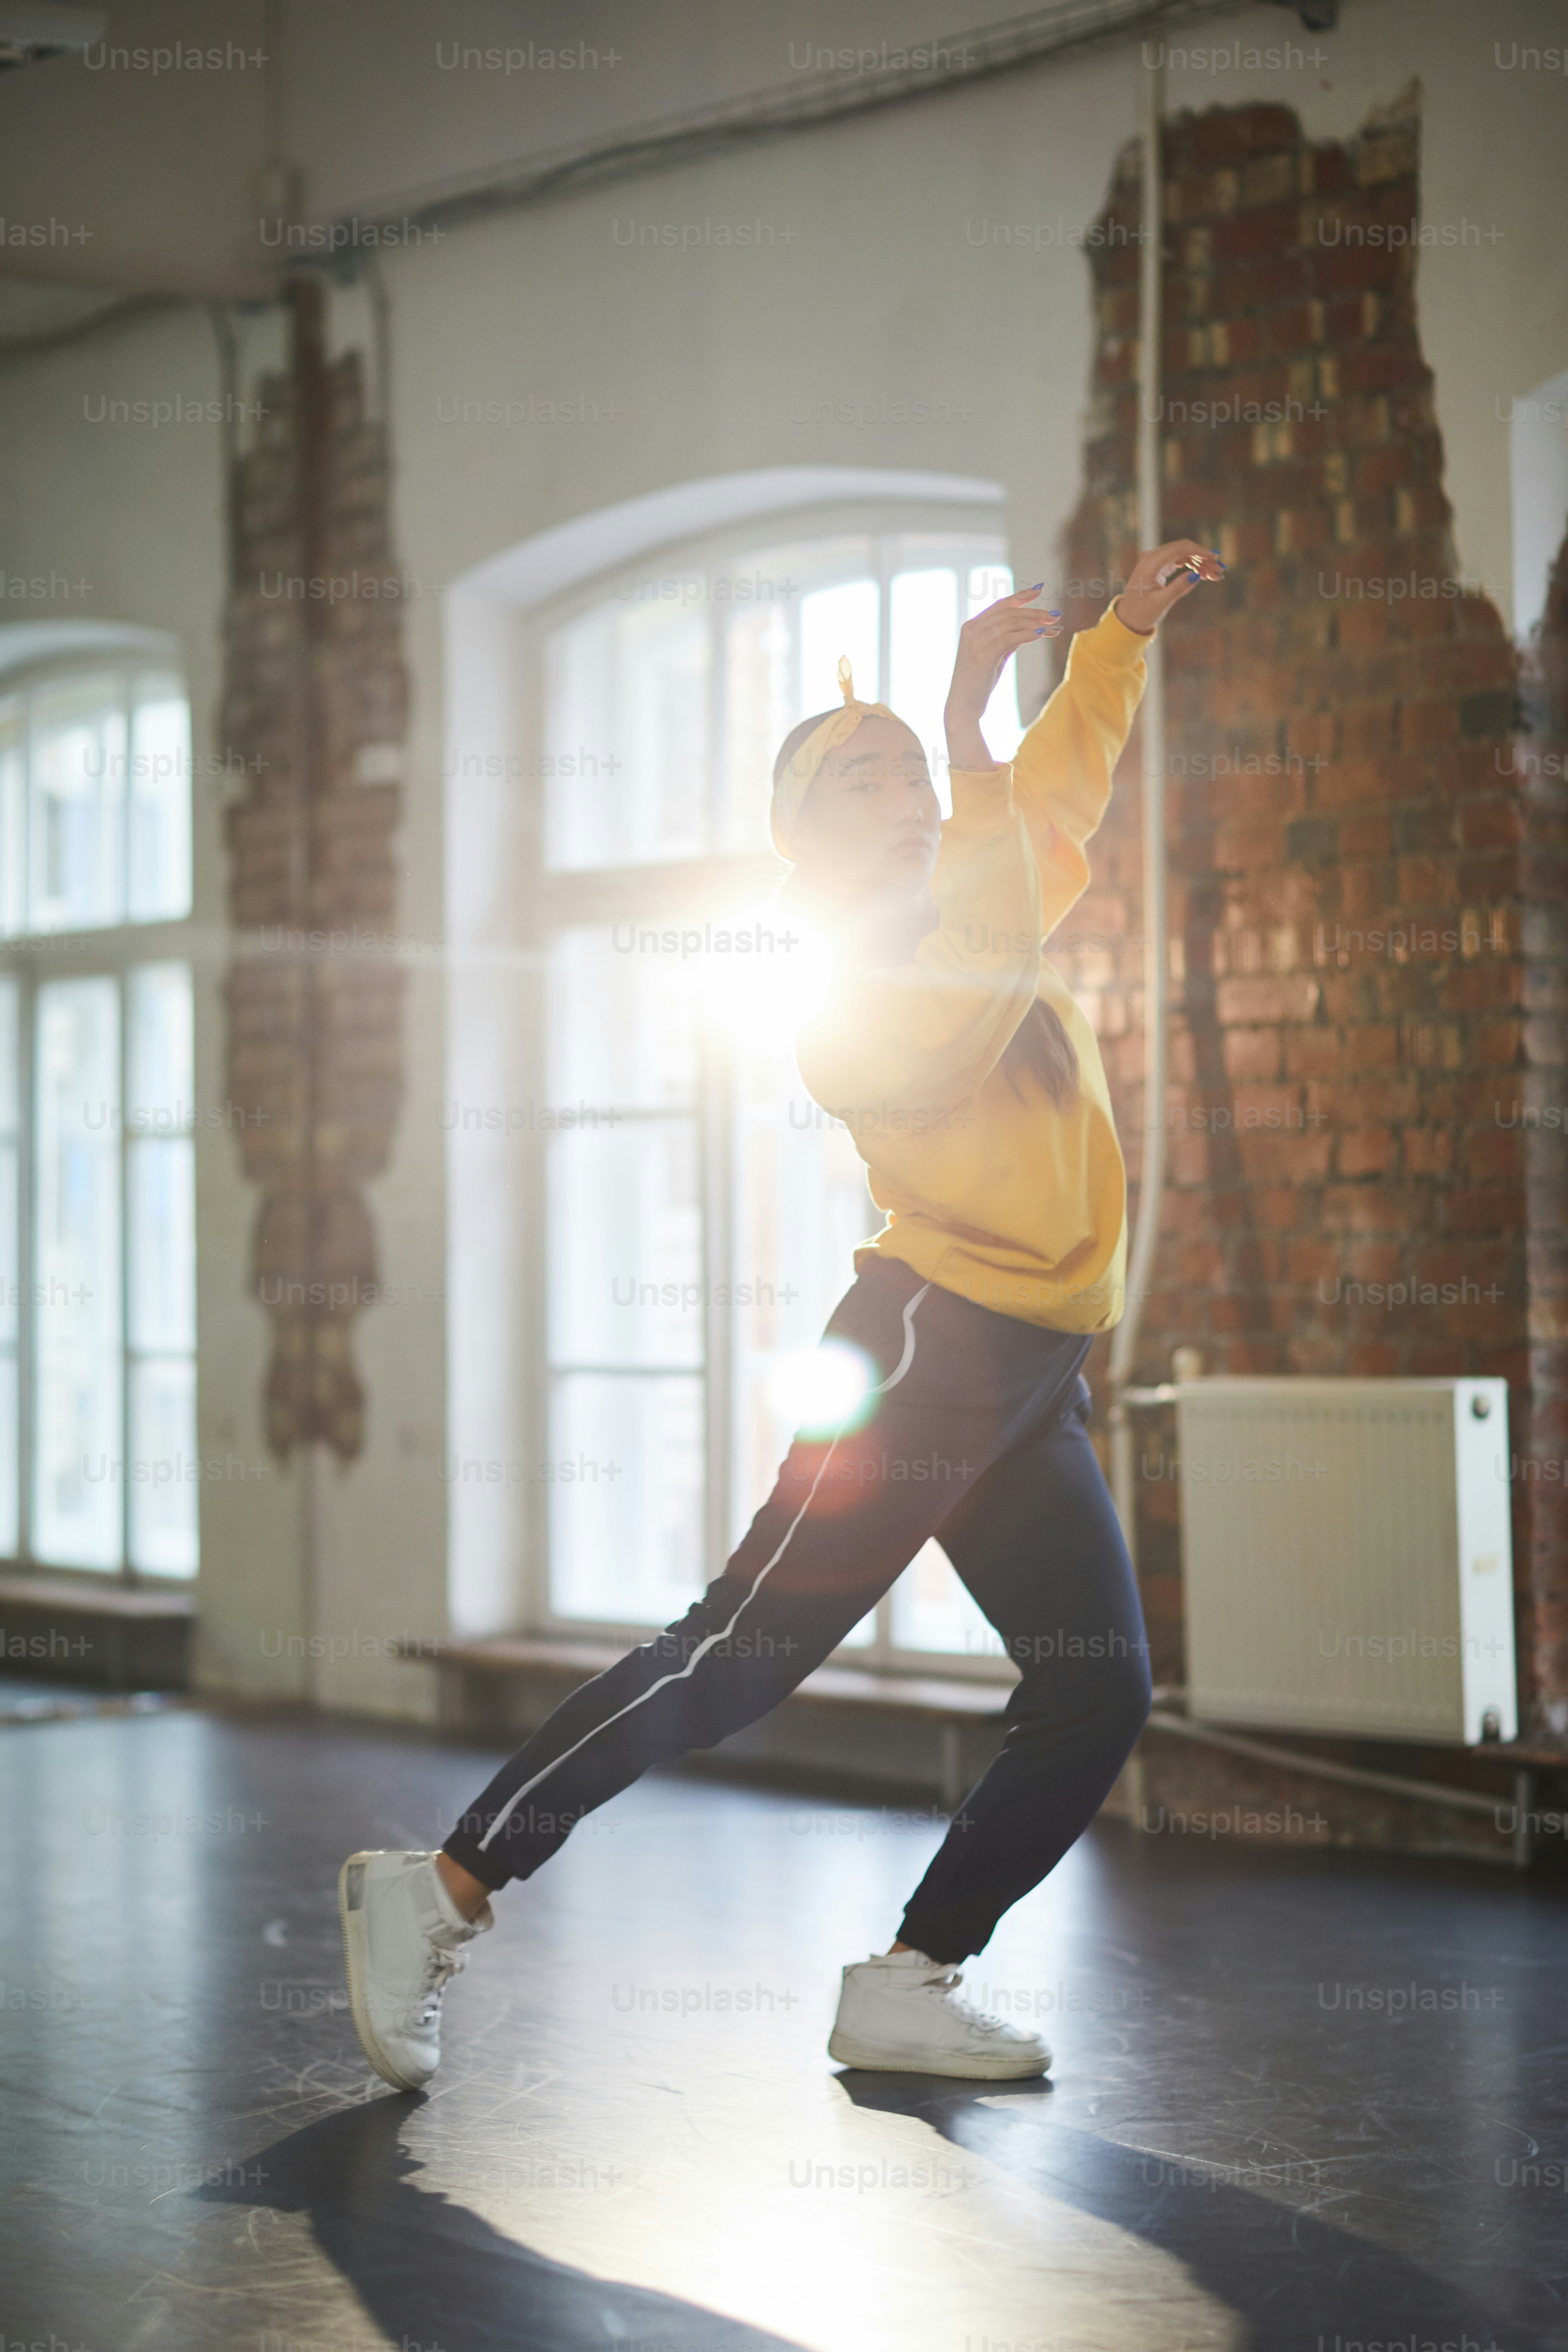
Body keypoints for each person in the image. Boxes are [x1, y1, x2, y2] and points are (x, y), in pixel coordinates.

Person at [338, 540, 1225, 2092]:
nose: (908, 798)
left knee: (1098, 1683)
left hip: (1030, 1373)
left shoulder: (972, 895)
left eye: (911, 778)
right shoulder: (846, 999)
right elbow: (998, 922)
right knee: (732, 1660)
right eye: (863, 781)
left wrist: (1113, 644)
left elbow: (1050, 811)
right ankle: (438, 1890)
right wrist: (961, 716)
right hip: (919, 1352)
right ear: (799, 848)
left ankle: (910, 1977)